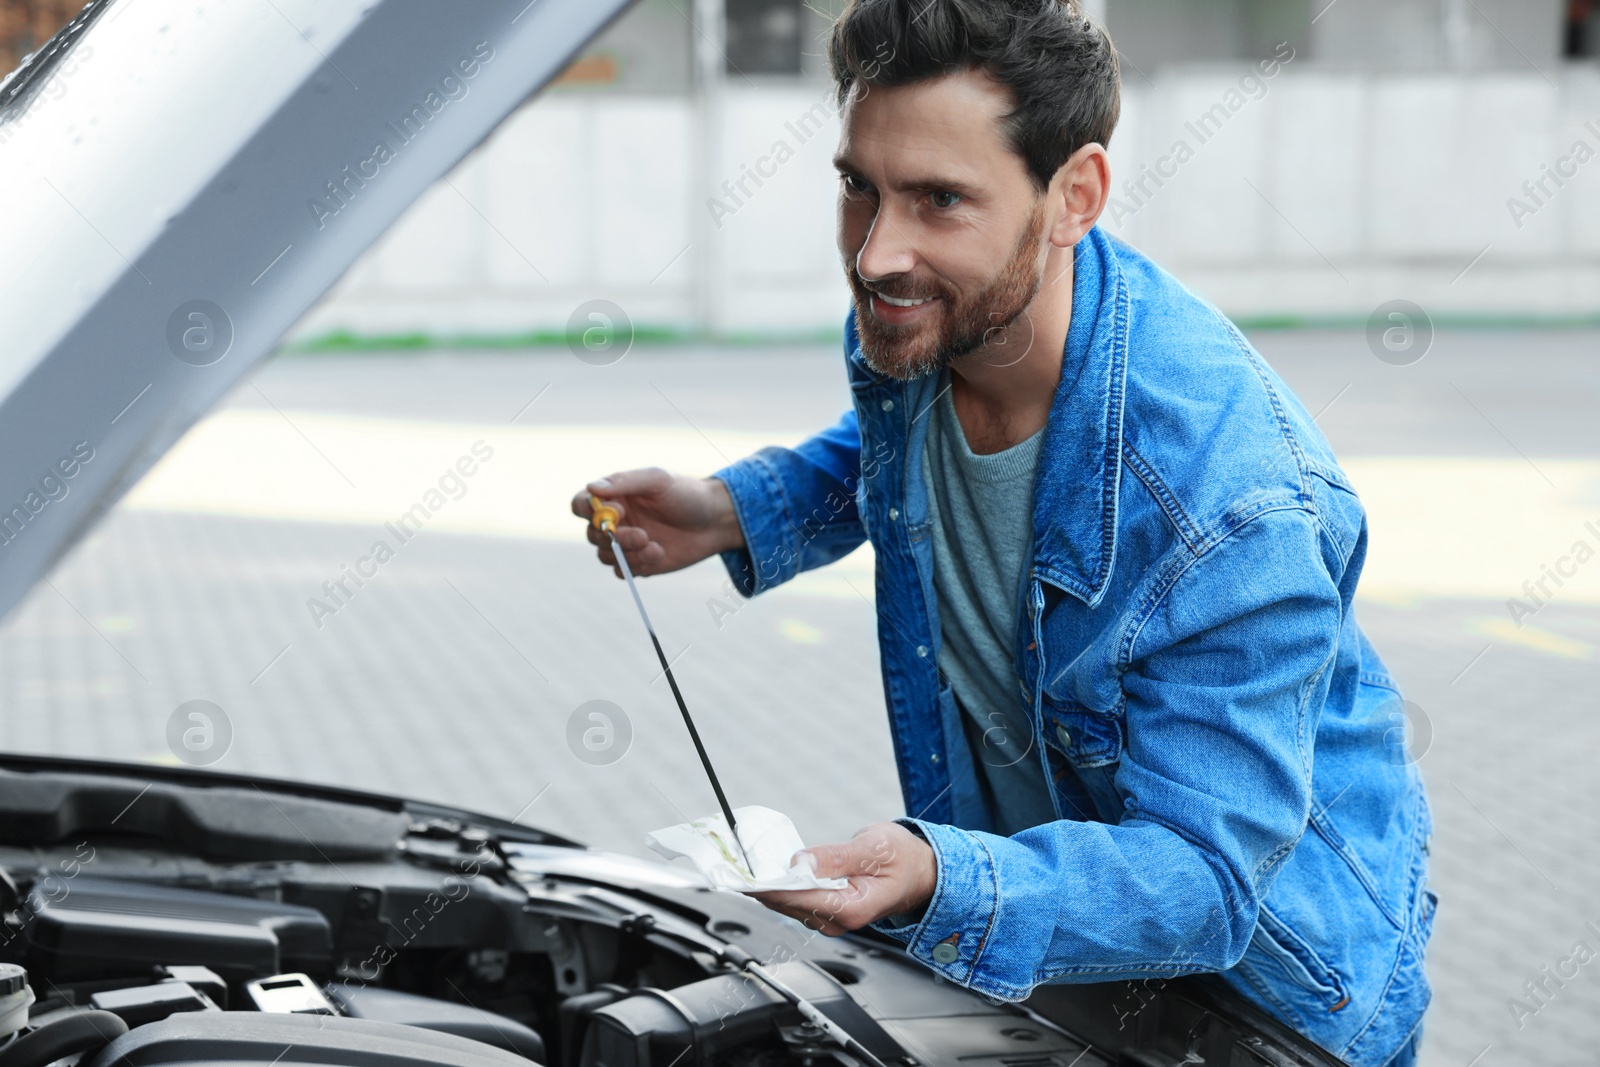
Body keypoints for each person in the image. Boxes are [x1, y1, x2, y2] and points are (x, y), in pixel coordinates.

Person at [572, 2, 1432, 1064]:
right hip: (1045, 967)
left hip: (1258, 1011)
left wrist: (941, 873)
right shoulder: (923, 315)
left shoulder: (1228, 504)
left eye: (939, 199)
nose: (878, 252)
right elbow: (892, 460)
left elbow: (1204, 880)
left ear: (1073, 195)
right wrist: (739, 509)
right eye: (858, 186)